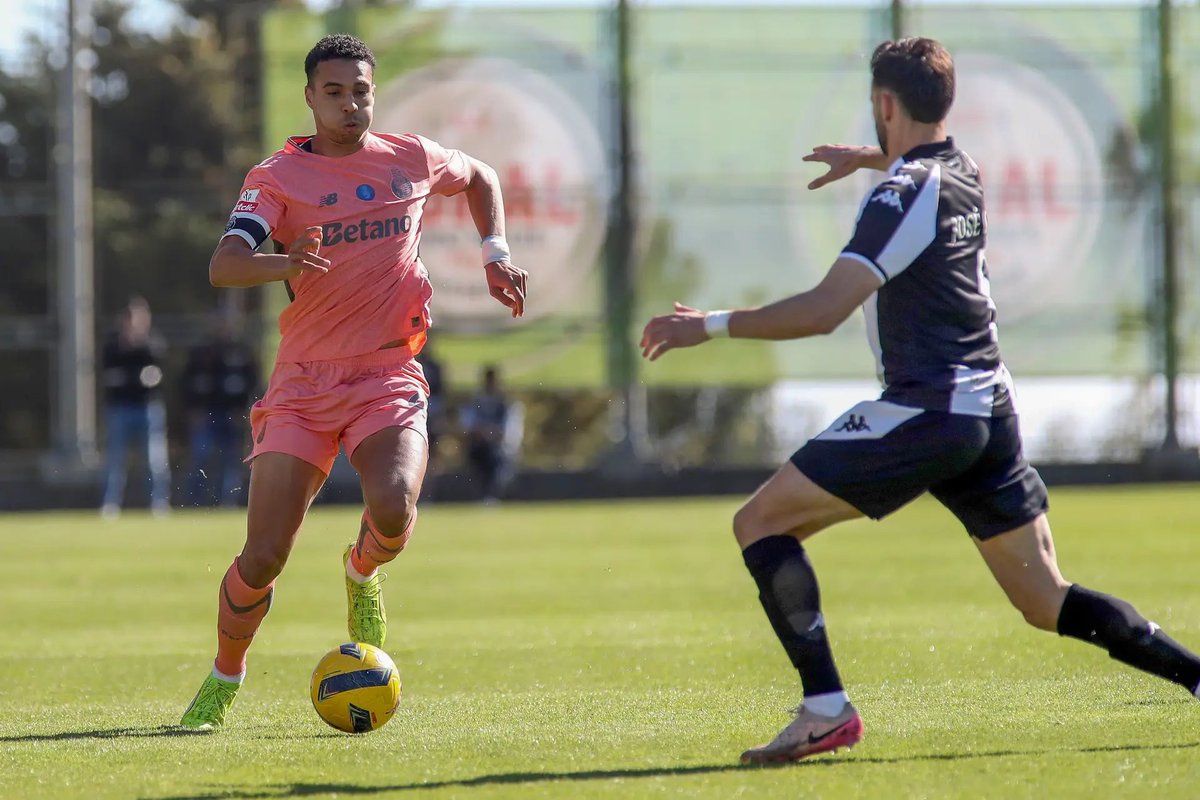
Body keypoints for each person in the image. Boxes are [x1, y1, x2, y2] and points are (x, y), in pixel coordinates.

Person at [640, 37, 1200, 765]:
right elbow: (927, 167)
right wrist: (873, 158)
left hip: (930, 410)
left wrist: (706, 326)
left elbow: (824, 310)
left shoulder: (902, 193)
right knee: (1045, 600)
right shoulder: (961, 170)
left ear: (883, 104)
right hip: (990, 412)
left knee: (761, 522)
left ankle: (825, 709)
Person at [179, 33, 527, 730]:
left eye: (360, 91)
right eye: (333, 92)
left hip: (388, 372)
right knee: (264, 555)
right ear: (310, 97)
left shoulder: (411, 157)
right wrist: (286, 264)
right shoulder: (275, 177)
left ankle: (363, 571)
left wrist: (497, 253)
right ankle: (225, 673)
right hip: (304, 385)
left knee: (394, 507)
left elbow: (482, 175)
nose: (349, 104)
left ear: (374, 93)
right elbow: (224, 265)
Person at [99, 296, 171, 518]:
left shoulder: (152, 344)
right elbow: (111, 378)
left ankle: (159, 504)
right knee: (116, 460)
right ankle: (110, 504)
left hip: (148, 409)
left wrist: (132, 378)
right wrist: (134, 378)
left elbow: (156, 376)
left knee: (155, 460)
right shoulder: (113, 346)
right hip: (120, 409)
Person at [181, 313, 259, 507]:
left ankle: (226, 502)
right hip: (206, 414)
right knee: (200, 457)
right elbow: (187, 383)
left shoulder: (242, 352)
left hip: (233, 415)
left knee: (231, 460)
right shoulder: (201, 352)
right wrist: (194, 410)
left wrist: (245, 412)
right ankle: (194, 502)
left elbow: (253, 385)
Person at [461, 365, 518, 503]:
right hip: (479, 444)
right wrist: (481, 432)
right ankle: (482, 494)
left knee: (495, 459)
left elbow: (510, 428)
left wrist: (493, 434)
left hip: (499, 446)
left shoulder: (505, 402)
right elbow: (468, 423)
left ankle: (491, 495)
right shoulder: (476, 400)